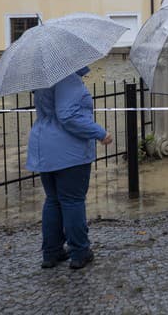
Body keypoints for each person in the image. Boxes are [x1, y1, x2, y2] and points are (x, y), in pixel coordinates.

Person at [26, 66, 113, 269]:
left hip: (44, 146)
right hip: (68, 151)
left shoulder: (42, 76)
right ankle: (80, 252)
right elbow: (68, 116)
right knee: (72, 201)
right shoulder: (67, 77)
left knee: (54, 200)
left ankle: (52, 252)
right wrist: (99, 132)